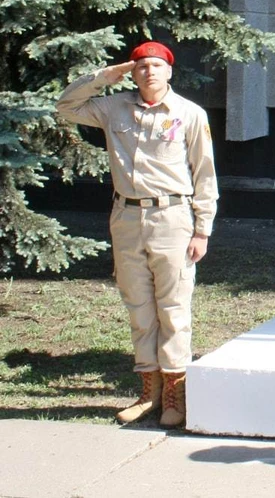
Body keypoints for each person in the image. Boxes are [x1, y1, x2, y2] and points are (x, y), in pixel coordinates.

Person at [56, 41, 217, 428]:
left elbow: (205, 174)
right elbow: (66, 107)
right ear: (133, 71)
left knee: (173, 307)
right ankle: (150, 391)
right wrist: (105, 76)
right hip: (126, 217)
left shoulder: (189, 114)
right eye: (141, 66)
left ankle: (176, 394)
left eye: (156, 66)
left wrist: (202, 229)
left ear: (169, 72)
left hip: (172, 217)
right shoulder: (114, 108)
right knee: (139, 306)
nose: (149, 72)